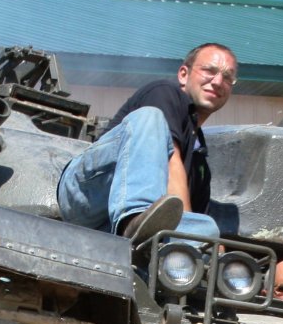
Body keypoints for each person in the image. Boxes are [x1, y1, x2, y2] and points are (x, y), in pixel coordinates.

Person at [57, 43, 238, 241]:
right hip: (87, 193)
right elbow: (171, 162)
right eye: (209, 70)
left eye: (227, 77)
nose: (218, 81)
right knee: (150, 117)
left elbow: (195, 220)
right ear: (183, 74)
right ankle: (135, 218)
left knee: (209, 230)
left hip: (109, 227)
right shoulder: (164, 93)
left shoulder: (200, 163)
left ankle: (144, 231)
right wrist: (186, 238)